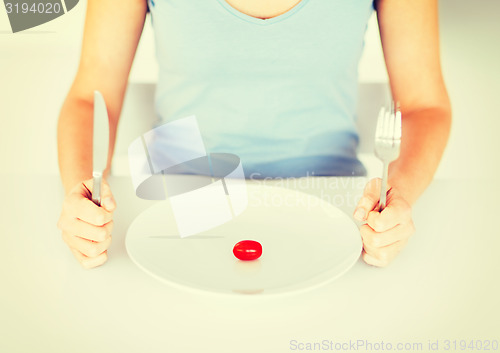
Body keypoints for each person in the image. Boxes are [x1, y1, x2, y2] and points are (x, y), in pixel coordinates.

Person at [57, 0, 451, 269]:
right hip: (178, 208)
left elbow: (423, 106)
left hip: (335, 212)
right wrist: (83, 193)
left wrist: (397, 196)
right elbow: (92, 97)